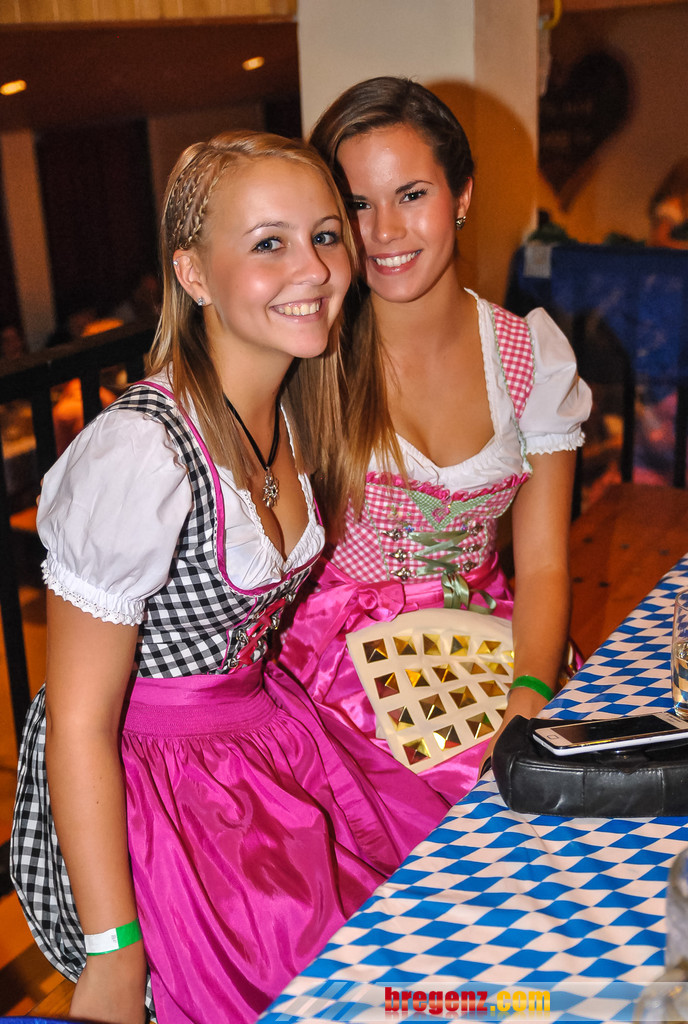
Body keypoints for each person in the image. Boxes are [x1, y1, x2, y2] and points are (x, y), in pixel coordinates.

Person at [11, 130, 448, 1024]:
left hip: (264, 738)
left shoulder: (294, 410)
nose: (314, 269)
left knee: (418, 925)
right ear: (193, 274)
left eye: (325, 236)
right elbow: (78, 723)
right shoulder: (142, 454)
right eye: (268, 243)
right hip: (165, 794)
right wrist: (113, 954)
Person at [277, 77, 592, 804]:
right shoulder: (309, 357)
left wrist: (529, 692)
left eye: (411, 194)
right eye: (357, 204)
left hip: (495, 638)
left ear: (462, 196)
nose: (385, 230)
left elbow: (545, 564)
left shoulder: (529, 357)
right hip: (340, 664)